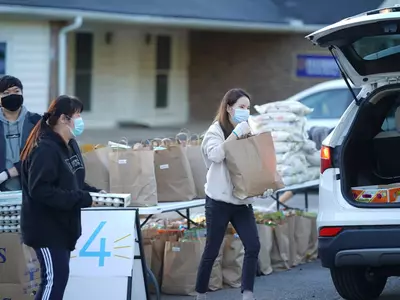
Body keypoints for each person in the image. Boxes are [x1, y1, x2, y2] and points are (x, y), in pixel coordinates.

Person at [20, 95, 102, 300]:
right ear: (64, 119)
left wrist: (94, 193)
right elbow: (40, 190)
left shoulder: (70, 144)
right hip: (46, 229)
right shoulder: (44, 149)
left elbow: (73, 180)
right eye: (78, 116)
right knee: (53, 282)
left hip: (63, 226)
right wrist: (82, 198)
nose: (81, 120)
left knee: (59, 279)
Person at [195, 88, 260, 300]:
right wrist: (235, 134)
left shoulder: (248, 131)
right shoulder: (216, 131)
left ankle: (247, 293)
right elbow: (215, 155)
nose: (245, 111)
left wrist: (262, 185)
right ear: (229, 108)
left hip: (241, 201)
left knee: (253, 245)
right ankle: (200, 293)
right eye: (241, 107)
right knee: (212, 250)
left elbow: (252, 163)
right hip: (218, 200)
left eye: (247, 108)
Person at [0, 75, 41, 191]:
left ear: (22, 93)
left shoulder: (37, 122)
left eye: (16, 91)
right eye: (6, 93)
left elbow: (40, 157)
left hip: (32, 191)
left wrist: (7, 174)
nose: (12, 95)